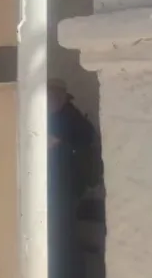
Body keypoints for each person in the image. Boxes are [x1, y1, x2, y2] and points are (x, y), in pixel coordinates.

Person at [47, 79, 100, 278]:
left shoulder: (71, 116)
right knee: (56, 235)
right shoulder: (51, 116)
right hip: (54, 187)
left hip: (68, 188)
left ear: (60, 96)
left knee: (65, 236)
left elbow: (86, 141)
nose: (48, 101)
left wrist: (61, 142)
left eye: (51, 96)